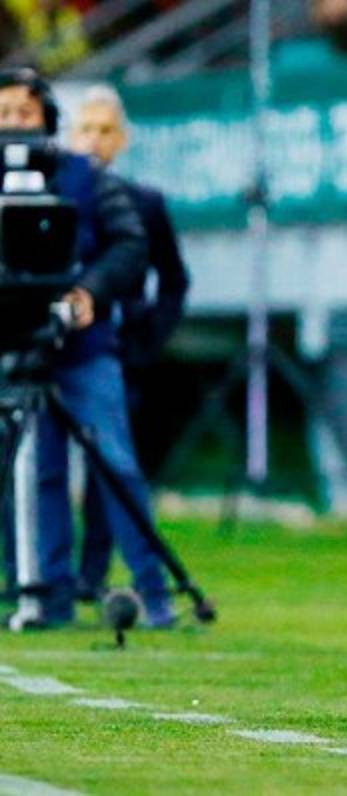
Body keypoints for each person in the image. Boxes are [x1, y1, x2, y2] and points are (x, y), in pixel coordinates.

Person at [0, 67, 173, 627]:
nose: (14, 124)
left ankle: (153, 593)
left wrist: (89, 291)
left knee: (115, 465)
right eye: (3, 115)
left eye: (24, 113)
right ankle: (45, 594)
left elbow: (130, 245)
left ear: (47, 119)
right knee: (36, 474)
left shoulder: (84, 176)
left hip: (83, 348)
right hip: (13, 349)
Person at [68, 83, 191, 603]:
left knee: (112, 465)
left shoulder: (146, 204)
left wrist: (149, 340)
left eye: (105, 131)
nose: (94, 141)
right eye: (86, 129)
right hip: (62, 346)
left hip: (121, 351)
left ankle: (99, 573)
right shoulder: (57, 196)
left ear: (122, 139)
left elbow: (173, 281)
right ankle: (46, 577)